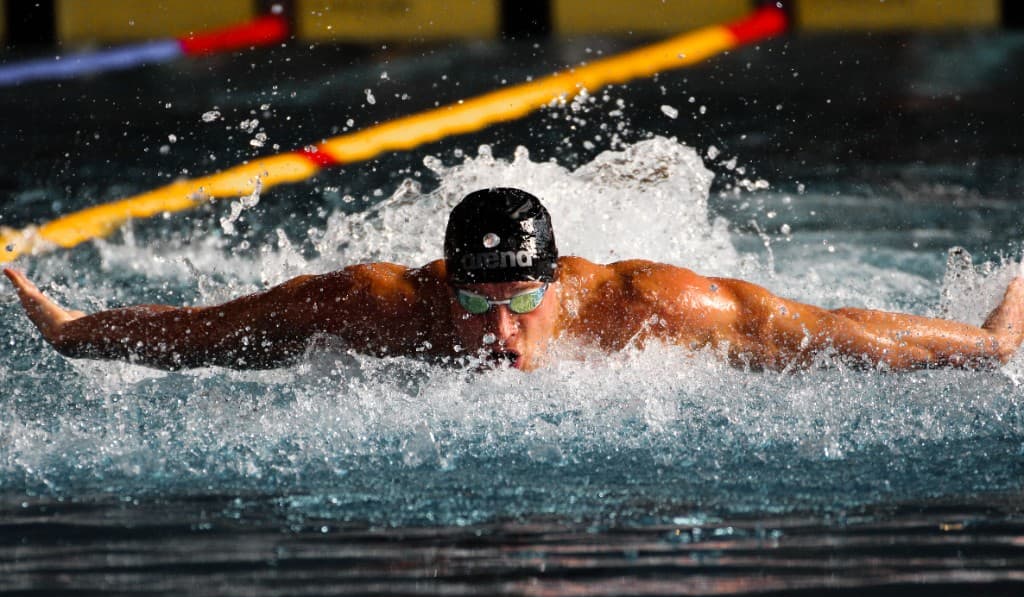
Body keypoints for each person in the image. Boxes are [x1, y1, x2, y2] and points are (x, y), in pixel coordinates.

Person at [5, 187, 1024, 372]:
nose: (500, 335)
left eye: (520, 302)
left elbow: (826, 327)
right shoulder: (373, 307)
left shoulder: (646, 308)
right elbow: (205, 331)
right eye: (475, 304)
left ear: (552, 284)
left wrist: (988, 340)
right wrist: (68, 326)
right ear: (439, 284)